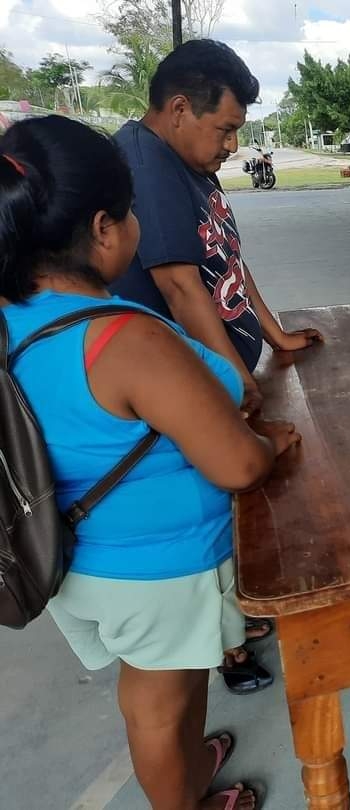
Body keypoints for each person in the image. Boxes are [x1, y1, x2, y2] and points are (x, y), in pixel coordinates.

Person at [1, 115, 289, 809]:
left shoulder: (12, 314)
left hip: (67, 550)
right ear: (104, 229)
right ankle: (181, 795)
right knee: (161, 700)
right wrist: (270, 444)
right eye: (129, 214)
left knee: (160, 685)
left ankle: (187, 768)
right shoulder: (124, 338)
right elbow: (237, 466)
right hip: (158, 567)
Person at [109, 39, 321, 692]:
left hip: (223, 362)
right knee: (221, 490)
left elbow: (225, 256)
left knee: (239, 494)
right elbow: (180, 287)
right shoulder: (147, 168)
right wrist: (236, 381)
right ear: (178, 108)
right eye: (225, 128)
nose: (232, 144)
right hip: (188, 379)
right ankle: (227, 646)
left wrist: (275, 335)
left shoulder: (188, 164)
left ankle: (236, 617)